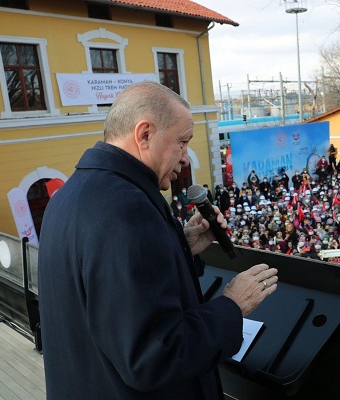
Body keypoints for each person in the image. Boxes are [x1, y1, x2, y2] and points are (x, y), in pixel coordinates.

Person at [38, 82, 279, 399]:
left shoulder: (69, 196)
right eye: (182, 142)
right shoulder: (128, 210)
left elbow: (105, 293)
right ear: (144, 135)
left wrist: (181, 245)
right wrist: (232, 306)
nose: (185, 158)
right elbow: (153, 357)